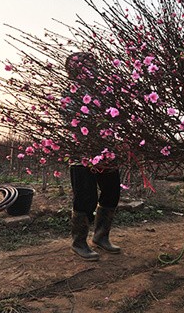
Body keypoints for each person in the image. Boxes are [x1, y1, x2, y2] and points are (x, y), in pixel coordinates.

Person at [64, 52, 122, 261]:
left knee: (112, 192)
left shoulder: (104, 91)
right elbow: (71, 119)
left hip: (106, 151)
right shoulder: (70, 92)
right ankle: (79, 242)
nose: (92, 70)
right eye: (87, 66)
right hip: (81, 153)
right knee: (85, 197)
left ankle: (100, 237)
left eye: (93, 65)